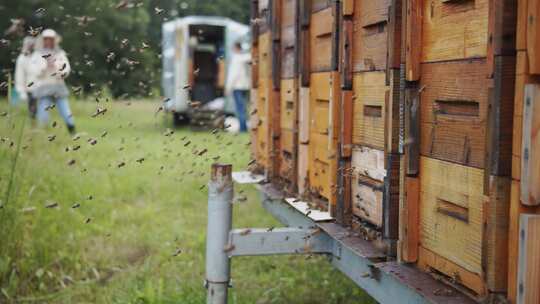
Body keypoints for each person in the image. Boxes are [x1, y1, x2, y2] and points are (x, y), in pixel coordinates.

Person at [31, 29, 75, 133]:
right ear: (43, 40)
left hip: (58, 85)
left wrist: (59, 70)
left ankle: (72, 131)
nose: (48, 41)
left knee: (65, 110)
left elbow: (66, 68)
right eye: (46, 39)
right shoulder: (37, 54)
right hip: (44, 85)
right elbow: (34, 70)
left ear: (54, 40)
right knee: (43, 109)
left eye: (50, 39)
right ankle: (42, 132)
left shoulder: (60, 53)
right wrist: (45, 66)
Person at [225, 41, 251, 133]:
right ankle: (245, 126)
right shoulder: (245, 57)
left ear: (236, 48)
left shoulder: (236, 59)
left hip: (237, 87)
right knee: (244, 107)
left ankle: (243, 128)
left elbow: (233, 75)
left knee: (240, 108)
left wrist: (228, 88)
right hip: (245, 86)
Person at [14, 36, 37, 117]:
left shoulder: (38, 56)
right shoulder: (21, 59)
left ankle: (43, 126)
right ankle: (34, 126)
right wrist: (21, 91)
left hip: (41, 88)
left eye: (32, 44)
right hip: (29, 89)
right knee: (33, 112)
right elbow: (19, 76)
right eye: (29, 44)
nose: (31, 46)